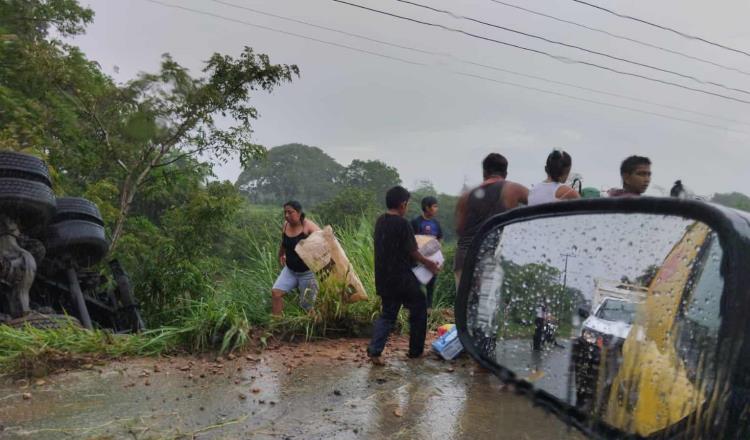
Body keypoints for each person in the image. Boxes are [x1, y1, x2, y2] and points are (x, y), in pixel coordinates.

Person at [367, 186, 441, 365]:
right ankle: (415, 352)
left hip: (384, 277)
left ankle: (375, 351)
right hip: (402, 277)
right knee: (419, 306)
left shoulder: (380, 221)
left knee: (388, 314)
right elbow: (413, 252)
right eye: (407, 204)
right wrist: (430, 263)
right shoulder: (402, 223)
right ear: (402, 204)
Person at [454, 153, 528, 285]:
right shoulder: (512, 189)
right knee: (487, 304)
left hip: (463, 260)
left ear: (484, 172)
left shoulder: (466, 196)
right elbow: (538, 201)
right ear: (505, 172)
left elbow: (459, 229)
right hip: (490, 259)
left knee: (464, 304)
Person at [271, 201, 321, 316]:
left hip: (308, 273)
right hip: (290, 270)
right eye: (285, 212)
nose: (286, 215)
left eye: (290, 212)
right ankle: (276, 325)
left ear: (298, 213)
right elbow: (284, 242)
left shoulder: (307, 226)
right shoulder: (286, 225)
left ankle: (315, 329)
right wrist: (281, 254)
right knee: (276, 293)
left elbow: (324, 240)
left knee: (307, 307)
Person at [411, 196, 443, 312]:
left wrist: (439, 258)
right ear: (427, 207)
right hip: (418, 260)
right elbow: (411, 241)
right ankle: (415, 308)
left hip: (433, 259)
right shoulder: (416, 222)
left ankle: (429, 310)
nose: (436, 209)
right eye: (434, 206)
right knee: (416, 285)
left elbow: (439, 241)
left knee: (431, 285)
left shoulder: (436, 223)